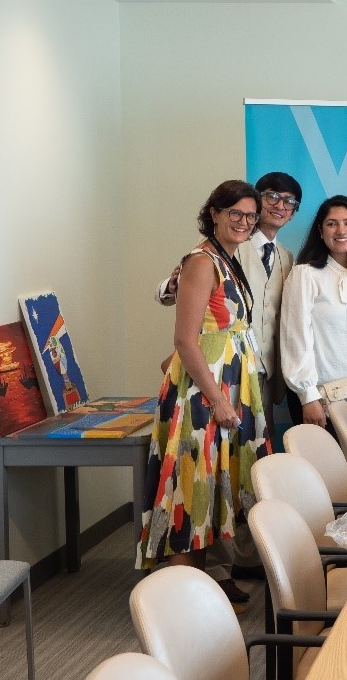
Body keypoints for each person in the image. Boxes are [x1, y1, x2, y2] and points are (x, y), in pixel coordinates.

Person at [137, 181, 271, 594]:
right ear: (213, 212)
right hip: (205, 395)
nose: (244, 222)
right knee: (193, 485)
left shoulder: (225, 258)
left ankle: (204, 582)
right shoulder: (201, 261)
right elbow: (185, 339)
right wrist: (216, 399)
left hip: (228, 384)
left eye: (250, 216)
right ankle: (185, 598)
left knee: (213, 487)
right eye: (235, 213)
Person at [156, 171, 301, 446]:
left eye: (289, 201)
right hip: (217, 369)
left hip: (260, 369)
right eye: (272, 196)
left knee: (251, 453)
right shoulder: (224, 246)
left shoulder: (286, 256)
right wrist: (172, 287)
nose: (280, 205)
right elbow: (188, 284)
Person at [281, 196, 347, 430]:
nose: (341, 230)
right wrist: (308, 396)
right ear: (320, 231)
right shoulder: (305, 275)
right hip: (320, 400)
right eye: (331, 224)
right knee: (324, 466)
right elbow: (295, 338)